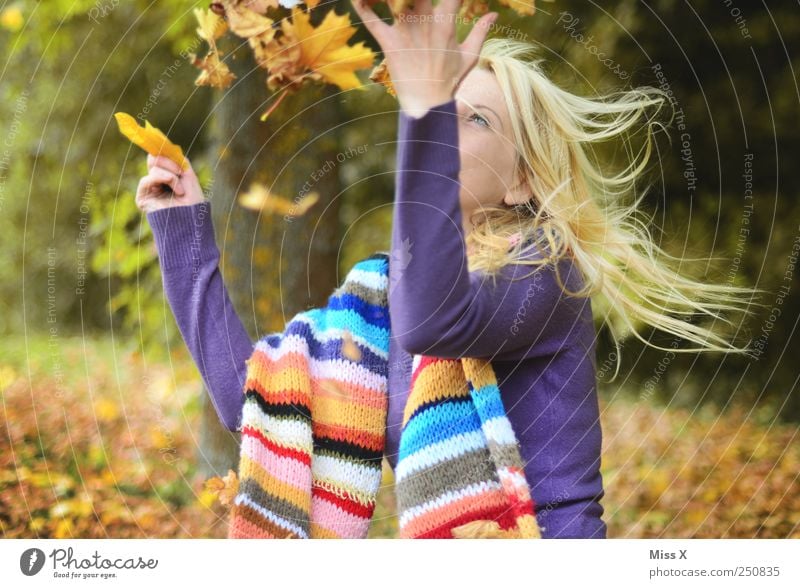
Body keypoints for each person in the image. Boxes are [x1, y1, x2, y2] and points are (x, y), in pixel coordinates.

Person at [136, 0, 756, 538]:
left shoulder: (544, 272)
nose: (443, 127)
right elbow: (251, 402)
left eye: (475, 118)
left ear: (522, 180)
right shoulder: (381, 299)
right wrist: (184, 227)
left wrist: (425, 108)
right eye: (442, 111)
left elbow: (435, 319)